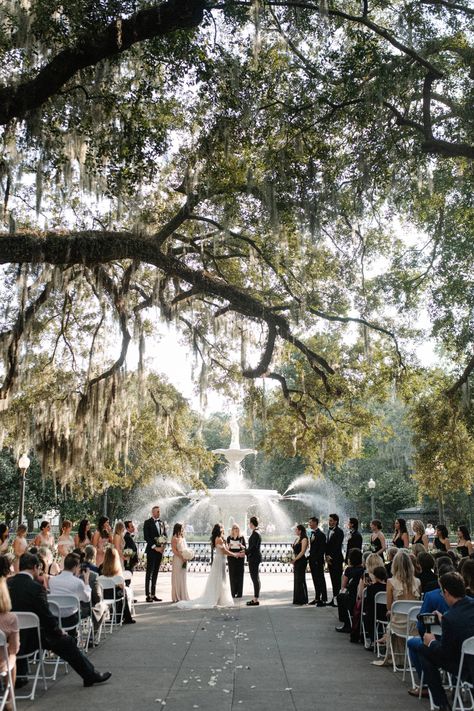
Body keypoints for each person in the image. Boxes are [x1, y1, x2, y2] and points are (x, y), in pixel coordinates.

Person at [8, 552, 111, 687]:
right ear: (35, 567)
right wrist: (58, 631)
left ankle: (20, 676)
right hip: (33, 638)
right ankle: (89, 675)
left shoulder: (7, 584)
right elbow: (46, 616)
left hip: (9, 640)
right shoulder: (36, 588)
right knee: (67, 642)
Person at [418, 572, 474, 711]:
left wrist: (431, 642)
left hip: (465, 667)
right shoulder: (462, 611)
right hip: (469, 658)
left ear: (447, 593)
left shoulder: (451, 618)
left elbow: (445, 653)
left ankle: (442, 702)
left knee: (424, 650)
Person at [407, 561, 453, 698]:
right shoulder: (466, 600)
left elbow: (422, 624)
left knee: (412, 643)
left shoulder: (432, 596)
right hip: (461, 647)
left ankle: (426, 683)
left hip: (436, 642)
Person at [374, 550, 421, 667]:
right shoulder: (418, 582)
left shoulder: (391, 582)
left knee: (390, 617)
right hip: (413, 624)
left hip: (398, 623)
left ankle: (392, 649)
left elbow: (389, 607)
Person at [177, 524, 242, 609]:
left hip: (221, 560)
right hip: (219, 560)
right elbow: (224, 551)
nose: (223, 529)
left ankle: (220, 598)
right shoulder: (218, 539)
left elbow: (226, 549)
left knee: (221, 579)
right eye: (222, 527)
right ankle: (217, 598)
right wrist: (235, 554)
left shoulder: (220, 538)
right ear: (219, 529)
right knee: (219, 579)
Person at [49, 552, 92, 629]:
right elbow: (87, 599)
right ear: (76, 566)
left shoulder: (52, 580)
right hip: (71, 619)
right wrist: (87, 582)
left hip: (55, 618)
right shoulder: (78, 582)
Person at [99, 547, 135, 624]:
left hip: (103, 595)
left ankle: (116, 616)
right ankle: (125, 616)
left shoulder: (100, 570)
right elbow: (122, 585)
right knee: (123, 591)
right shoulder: (118, 576)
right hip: (115, 596)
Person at [0, 573, 19, 710]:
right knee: (11, 657)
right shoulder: (11, 618)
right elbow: (14, 650)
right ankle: (9, 699)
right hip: (2, 663)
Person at [335, 548, 364, 632]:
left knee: (340, 597)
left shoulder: (348, 570)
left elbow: (343, 586)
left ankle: (346, 622)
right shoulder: (362, 570)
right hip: (360, 598)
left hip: (351, 597)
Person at [143, 505, 167, 603]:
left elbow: (165, 535)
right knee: (149, 572)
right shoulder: (147, 522)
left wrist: (163, 546)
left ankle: (153, 594)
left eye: (159, 511)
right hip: (151, 551)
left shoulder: (162, 523)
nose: (158, 513)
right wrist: (155, 547)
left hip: (159, 551)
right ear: (153, 512)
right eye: (157, 511)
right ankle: (148, 595)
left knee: (156, 572)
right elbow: (146, 537)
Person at [308, 516, 327, 606]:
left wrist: (317, 560)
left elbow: (321, 549)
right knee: (315, 579)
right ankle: (317, 598)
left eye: (310, 522)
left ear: (315, 523)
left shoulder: (321, 534)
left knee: (320, 579)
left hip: (318, 561)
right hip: (312, 560)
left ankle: (323, 599)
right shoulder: (312, 533)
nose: (309, 524)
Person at [325, 513, 344, 604]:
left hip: (336, 559)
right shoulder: (329, 531)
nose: (329, 522)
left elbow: (337, 546)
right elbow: (327, 545)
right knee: (332, 579)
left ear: (336, 521)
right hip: (330, 559)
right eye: (329, 520)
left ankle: (338, 600)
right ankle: (334, 598)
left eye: (331, 520)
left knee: (337, 580)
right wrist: (326, 555)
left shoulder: (340, 532)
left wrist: (330, 556)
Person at [171, 523, 190, 602]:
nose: (183, 529)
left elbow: (185, 548)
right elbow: (174, 551)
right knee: (177, 577)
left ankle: (183, 595)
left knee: (183, 577)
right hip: (178, 559)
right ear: (178, 528)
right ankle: (177, 596)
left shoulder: (182, 537)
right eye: (182, 528)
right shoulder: (174, 538)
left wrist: (187, 556)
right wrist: (182, 557)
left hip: (184, 559)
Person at [246, 516, 262, 606]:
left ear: (252, 524)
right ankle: (256, 597)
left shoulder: (255, 533)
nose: (249, 524)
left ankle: (255, 599)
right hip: (255, 557)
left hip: (254, 558)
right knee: (256, 578)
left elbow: (253, 547)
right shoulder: (257, 532)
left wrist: (245, 551)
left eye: (249, 523)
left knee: (255, 578)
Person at [226, 524, 246, 598]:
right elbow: (226, 549)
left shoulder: (241, 538)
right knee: (232, 575)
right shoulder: (229, 538)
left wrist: (241, 546)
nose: (236, 529)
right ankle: (233, 593)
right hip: (231, 558)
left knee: (240, 575)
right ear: (232, 530)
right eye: (234, 528)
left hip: (240, 558)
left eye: (237, 528)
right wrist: (230, 546)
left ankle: (239, 593)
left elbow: (245, 549)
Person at [291, 524, 308, 605]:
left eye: (296, 530)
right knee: (297, 579)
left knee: (300, 579)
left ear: (300, 530)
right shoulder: (297, 538)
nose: (295, 531)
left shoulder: (304, 539)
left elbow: (303, 551)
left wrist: (295, 559)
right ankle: (297, 598)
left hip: (301, 560)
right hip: (297, 560)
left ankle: (303, 599)